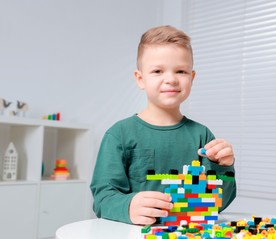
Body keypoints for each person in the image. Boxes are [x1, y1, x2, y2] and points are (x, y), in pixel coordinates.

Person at [90, 25, 236, 225]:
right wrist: (128, 206)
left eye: (181, 71)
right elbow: (103, 198)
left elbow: (220, 202)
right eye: (158, 71)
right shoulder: (119, 134)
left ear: (191, 78)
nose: (171, 79)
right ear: (140, 79)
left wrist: (224, 168)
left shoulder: (203, 135)